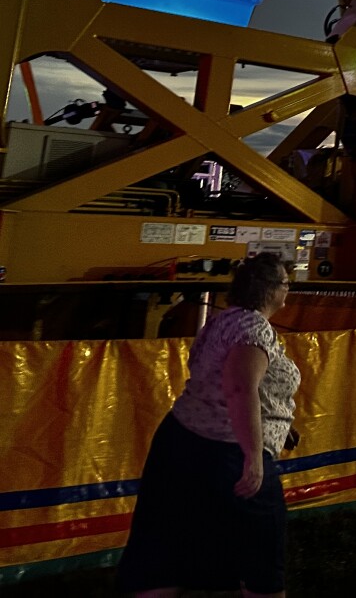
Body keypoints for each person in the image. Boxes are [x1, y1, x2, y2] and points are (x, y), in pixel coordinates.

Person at [116, 253, 301, 597]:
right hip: (226, 452)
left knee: (169, 546)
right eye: (287, 284)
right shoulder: (254, 328)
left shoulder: (223, 320)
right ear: (272, 289)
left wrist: (278, 422)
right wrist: (253, 458)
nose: (289, 291)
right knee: (262, 547)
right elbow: (238, 387)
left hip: (182, 442)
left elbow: (223, 384)